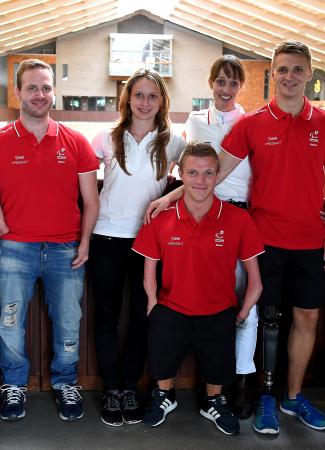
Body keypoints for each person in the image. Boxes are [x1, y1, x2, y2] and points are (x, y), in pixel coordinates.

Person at [147, 40, 325, 436]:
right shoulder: (252, 123)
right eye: (282, 69)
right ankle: (266, 398)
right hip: (265, 237)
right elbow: (212, 171)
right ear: (274, 74)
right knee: (265, 320)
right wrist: (171, 195)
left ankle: (293, 395)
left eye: (297, 69)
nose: (289, 77)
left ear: (310, 74)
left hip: (310, 239)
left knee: (307, 318)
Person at [0, 59, 99, 423]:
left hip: (66, 250)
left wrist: (85, 241)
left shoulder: (76, 142)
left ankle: (65, 383)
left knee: (69, 322)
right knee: (10, 323)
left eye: (45, 87)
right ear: (18, 92)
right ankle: (14, 385)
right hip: (15, 250)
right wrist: (7, 232)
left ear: (54, 92)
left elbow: (91, 200)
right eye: (32, 87)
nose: (39, 94)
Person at [133, 143, 264, 436]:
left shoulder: (238, 219)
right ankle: (164, 394)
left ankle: (214, 400)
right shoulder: (161, 219)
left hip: (218, 310)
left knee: (219, 352)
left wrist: (241, 313)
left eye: (207, 173)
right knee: (159, 333)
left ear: (218, 175)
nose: (200, 181)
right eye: (192, 173)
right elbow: (149, 272)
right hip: (172, 306)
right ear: (180, 174)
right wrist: (153, 304)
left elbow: (255, 280)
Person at [90, 68, 185, 427]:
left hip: (149, 242)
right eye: (139, 95)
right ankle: (112, 388)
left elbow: (203, 173)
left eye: (153, 96)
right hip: (107, 238)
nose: (145, 102)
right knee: (107, 317)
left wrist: (170, 196)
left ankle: (130, 386)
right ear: (127, 98)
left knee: (146, 317)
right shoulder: (106, 138)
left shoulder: (172, 141)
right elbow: (82, 181)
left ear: (162, 102)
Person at [182, 55, 257, 418]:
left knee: (247, 304)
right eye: (220, 82)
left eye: (233, 83)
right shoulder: (196, 122)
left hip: (242, 214)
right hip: (204, 214)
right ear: (211, 83)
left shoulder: (252, 122)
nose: (226, 90)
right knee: (210, 300)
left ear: (241, 86)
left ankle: (240, 380)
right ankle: (212, 381)